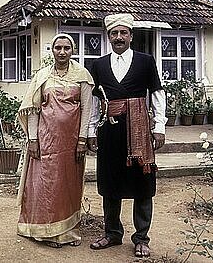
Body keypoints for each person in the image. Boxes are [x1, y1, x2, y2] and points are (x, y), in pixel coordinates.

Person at [87, 13, 166, 258]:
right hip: (110, 131)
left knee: (143, 184)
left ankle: (141, 238)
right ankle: (112, 233)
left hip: (140, 131)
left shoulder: (145, 61)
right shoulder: (98, 65)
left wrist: (159, 127)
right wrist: (91, 130)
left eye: (123, 33)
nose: (119, 37)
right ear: (108, 36)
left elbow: (157, 94)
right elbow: (93, 101)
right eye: (114, 33)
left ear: (131, 35)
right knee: (110, 183)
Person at [16, 33, 94, 248]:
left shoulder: (83, 76)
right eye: (58, 48)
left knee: (68, 184)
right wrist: (33, 139)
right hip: (45, 140)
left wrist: (82, 140)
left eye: (66, 48)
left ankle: (67, 232)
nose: (62, 52)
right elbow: (33, 110)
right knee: (45, 184)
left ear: (73, 50)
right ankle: (44, 232)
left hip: (71, 143)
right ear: (52, 51)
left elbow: (87, 109)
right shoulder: (42, 76)